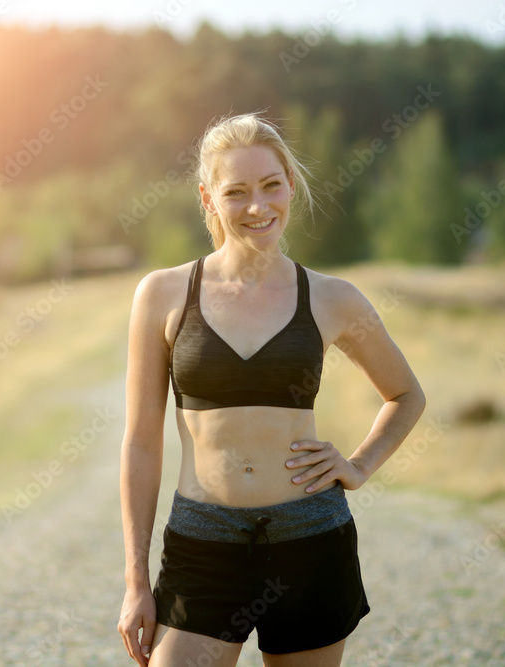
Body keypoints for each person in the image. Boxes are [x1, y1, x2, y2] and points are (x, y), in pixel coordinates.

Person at [117, 112, 426, 667]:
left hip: (311, 540)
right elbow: (141, 441)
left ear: (291, 186)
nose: (257, 207)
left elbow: (405, 394)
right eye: (235, 192)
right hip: (202, 544)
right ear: (209, 199)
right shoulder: (163, 294)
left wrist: (358, 465)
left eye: (271, 186)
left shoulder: (334, 298)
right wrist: (136, 580)